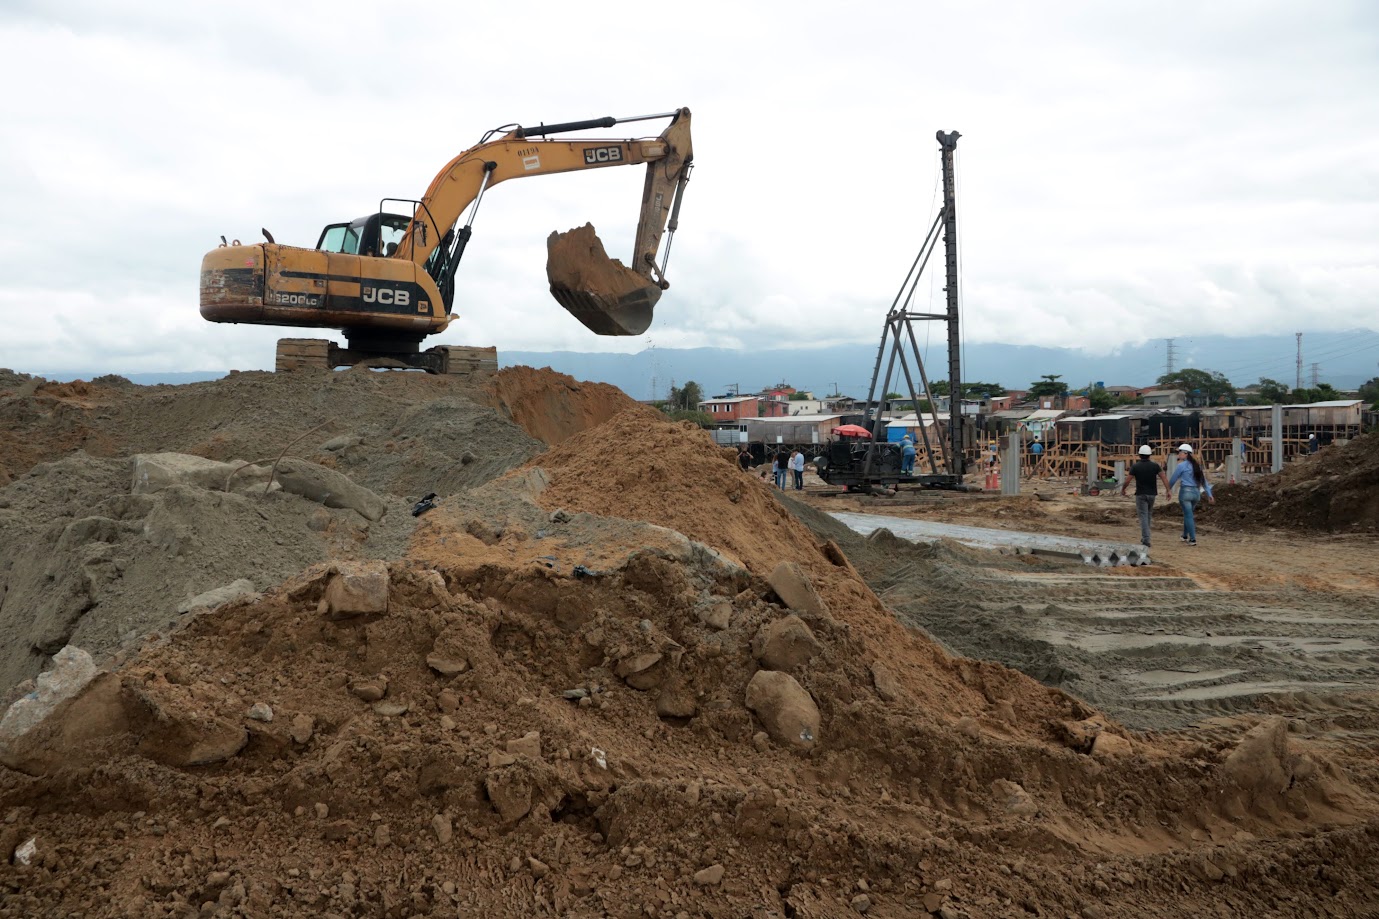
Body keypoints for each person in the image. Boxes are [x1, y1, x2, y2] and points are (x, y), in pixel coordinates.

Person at [1120, 444, 1171, 547]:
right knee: (1148, 515)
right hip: (1152, 494)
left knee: (1143, 516)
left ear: (1139, 455)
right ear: (1149, 455)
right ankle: (1145, 537)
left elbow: (1128, 480)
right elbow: (1164, 477)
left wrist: (1123, 489)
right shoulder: (1155, 466)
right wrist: (1168, 490)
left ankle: (1146, 539)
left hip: (1141, 494)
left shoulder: (1135, 466)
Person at [1167, 443, 1214, 546]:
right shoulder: (1197, 466)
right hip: (1196, 494)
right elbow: (1204, 482)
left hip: (1185, 494)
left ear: (1185, 453)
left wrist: (1168, 490)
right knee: (1188, 515)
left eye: (1180, 452)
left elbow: (1173, 479)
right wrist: (1209, 494)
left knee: (1189, 516)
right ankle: (1184, 535)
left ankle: (1192, 539)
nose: (1178, 454)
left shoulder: (1181, 466)